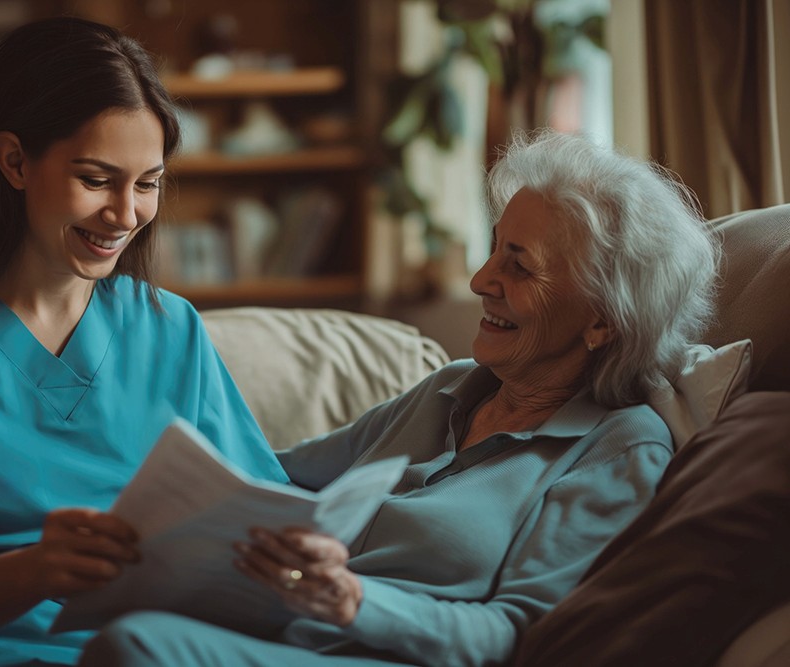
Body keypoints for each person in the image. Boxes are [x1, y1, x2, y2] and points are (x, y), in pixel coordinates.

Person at [78, 130, 722, 667]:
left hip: (386, 655)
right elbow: (269, 472)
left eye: (519, 267)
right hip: (291, 637)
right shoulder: (450, 387)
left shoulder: (620, 447)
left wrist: (354, 602)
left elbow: (520, 635)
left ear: (602, 321)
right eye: (494, 249)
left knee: (136, 649)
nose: (480, 281)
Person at [0, 17, 288, 667]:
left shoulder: (171, 326)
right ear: (13, 161)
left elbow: (257, 519)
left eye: (147, 183)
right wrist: (37, 569)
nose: (126, 215)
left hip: (178, 646)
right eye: (96, 179)